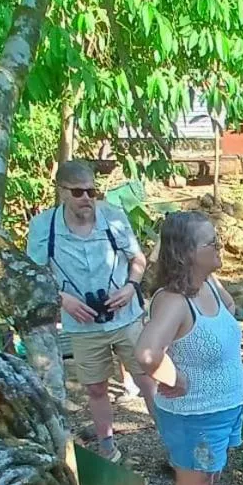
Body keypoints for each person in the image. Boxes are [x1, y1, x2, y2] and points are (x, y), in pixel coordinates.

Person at [135, 211, 243, 485]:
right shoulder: (173, 302)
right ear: (185, 253)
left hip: (224, 407)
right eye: (211, 242)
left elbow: (228, 311)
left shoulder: (209, 284)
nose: (221, 247)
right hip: (194, 416)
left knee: (209, 477)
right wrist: (175, 378)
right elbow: (147, 354)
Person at [27, 159, 156, 462]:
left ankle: (175, 445)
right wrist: (63, 300)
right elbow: (33, 275)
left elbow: (138, 260)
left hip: (125, 317)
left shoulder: (113, 218)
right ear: (61, 191)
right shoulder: (43, 227)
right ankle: (108, 448)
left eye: (92, 192)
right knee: (96, 388)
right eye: (78, 192)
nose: (87, 199)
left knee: (148, 380)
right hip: (81, 323)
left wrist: (130, 287)